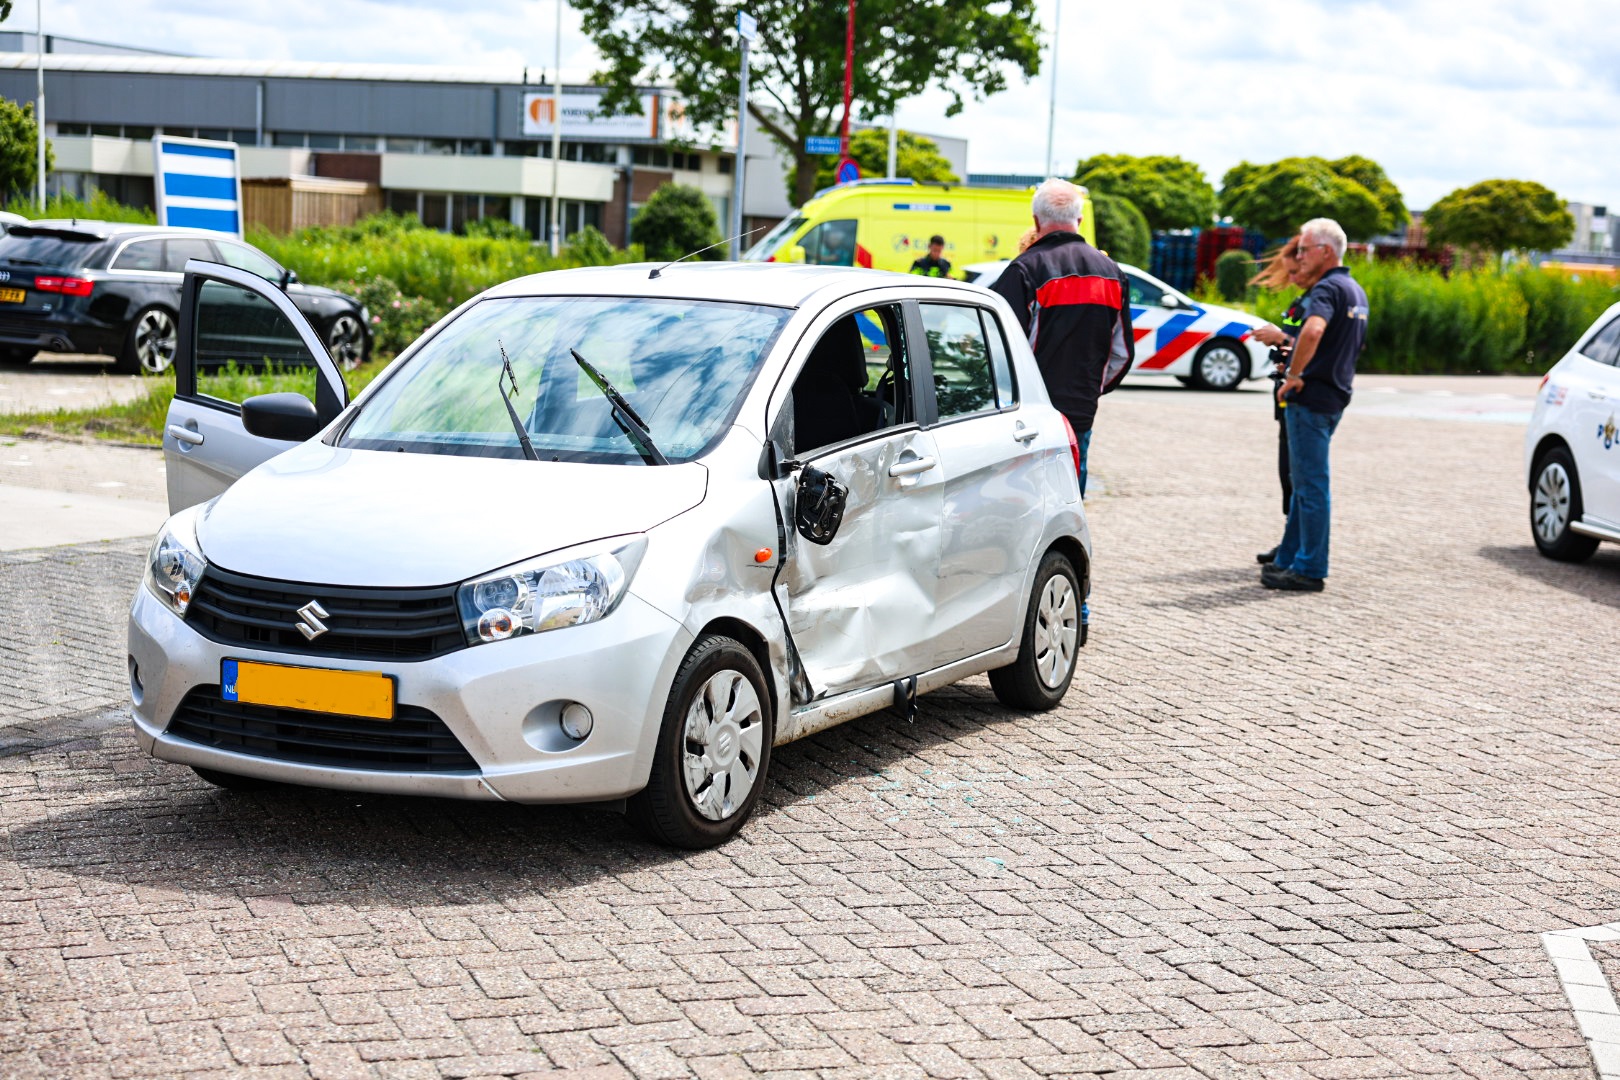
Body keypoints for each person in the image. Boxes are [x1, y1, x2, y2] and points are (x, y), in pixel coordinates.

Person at [991, 178, 1134, 632]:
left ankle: (1017, 617)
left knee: (1020, 515)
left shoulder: (1024, 270)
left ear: (1036, 221)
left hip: (1025, 419)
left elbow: (999, 352)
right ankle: (1077, 612)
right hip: (1078, 415)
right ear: (1079, 219)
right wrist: (1089, 392)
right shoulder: (1112, 274)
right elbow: (1122, 353)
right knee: (1070, 509)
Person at [1260, 218, 1368, 592]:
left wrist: (1293, 374)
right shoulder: (1355, 290)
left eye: (1304, 250)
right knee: (1304, 483)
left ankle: (1309, 567)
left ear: (1325, 251)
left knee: (1310, 486)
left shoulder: (1326, 289)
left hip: (1311, 398)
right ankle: (1289, 558)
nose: (1299, 256)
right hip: (1335, 396)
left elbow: (1314, 329)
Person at [1248, 237, 1305, 562]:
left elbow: (1318, 343)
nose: (1292, 277)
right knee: (1288, 475)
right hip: (1285, 398)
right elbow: (1297, 342)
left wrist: (1282, 338)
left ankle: (1298, 549)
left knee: (1299, 478)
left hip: (1301, 398)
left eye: (1296, 270)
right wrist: (1283, 353)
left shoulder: (1320, 300)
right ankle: (1290, 540)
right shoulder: (1301, 303)